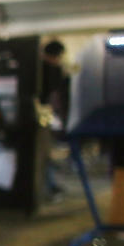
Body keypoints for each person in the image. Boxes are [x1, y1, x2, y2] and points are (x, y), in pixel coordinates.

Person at [39, 39, 69, 200]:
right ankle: (49, 188)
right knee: (44, 155)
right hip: (41, 118)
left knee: (45, 155)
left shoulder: (39, 67)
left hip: (42, 117)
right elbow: (55, 95)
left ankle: (49, 187)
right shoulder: (50, 70)